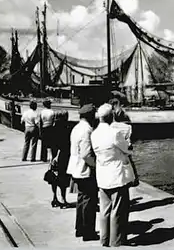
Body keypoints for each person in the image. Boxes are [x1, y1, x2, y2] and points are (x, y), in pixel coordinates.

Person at [91, 104, 135, 247]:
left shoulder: (94, 133)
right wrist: (129, 145)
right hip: (116, 174)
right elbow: (127, 149)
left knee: (104, 210)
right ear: (111, 116)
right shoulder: (114, 133)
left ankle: (104, 240)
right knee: (118, 210)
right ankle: (116, 241)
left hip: (102, 174)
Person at [66, 104, 99, 242]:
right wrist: (95, 165)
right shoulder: (87, 130)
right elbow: (86, 154)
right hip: (85, 169)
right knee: (89, 201)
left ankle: (79, 228)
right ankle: (88, 232)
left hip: (75, 168)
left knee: (81, 199)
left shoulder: (76, 128)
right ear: (90, 116)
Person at [109, 103, 140, 188]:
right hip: (124, 151)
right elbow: (128, 141)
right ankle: (134, 180)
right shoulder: (128, 127)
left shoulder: (111, 126)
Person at [49, 110, 72, 209]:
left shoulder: (52, 129)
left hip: (53, 155)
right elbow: (63, 145)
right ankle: (63, 198)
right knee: (62, 177)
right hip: (62, 156)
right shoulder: (66, 129)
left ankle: (54, 197)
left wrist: (51, 157)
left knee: (54, 177)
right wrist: (57, 156)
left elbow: (48, 144)